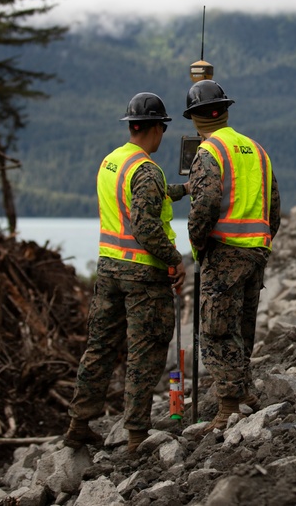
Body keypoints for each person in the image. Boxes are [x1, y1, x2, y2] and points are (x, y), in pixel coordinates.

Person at [64, 92, 187, 454]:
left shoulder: (112, 162)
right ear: (155, 128)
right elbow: (146, 225)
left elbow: (141, 198)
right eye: (162, 128)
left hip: (109, 269)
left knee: (100, 348)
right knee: (144, 352)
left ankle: (79, 423)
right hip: (142, 275)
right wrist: (174, 259)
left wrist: (183, 190)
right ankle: (136, 435)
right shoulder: (147, 168)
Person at [182, 80, 281, 431]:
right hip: (256, 251)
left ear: (195, 118)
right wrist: (259, 241)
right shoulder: (258, 150)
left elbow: (205, 204)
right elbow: (274, 209)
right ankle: (247, 394)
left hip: (224, 253)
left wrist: (198, 243)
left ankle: (227, 408)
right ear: (225, 110)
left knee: (217, 330)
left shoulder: (209, 152)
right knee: (241, 327)